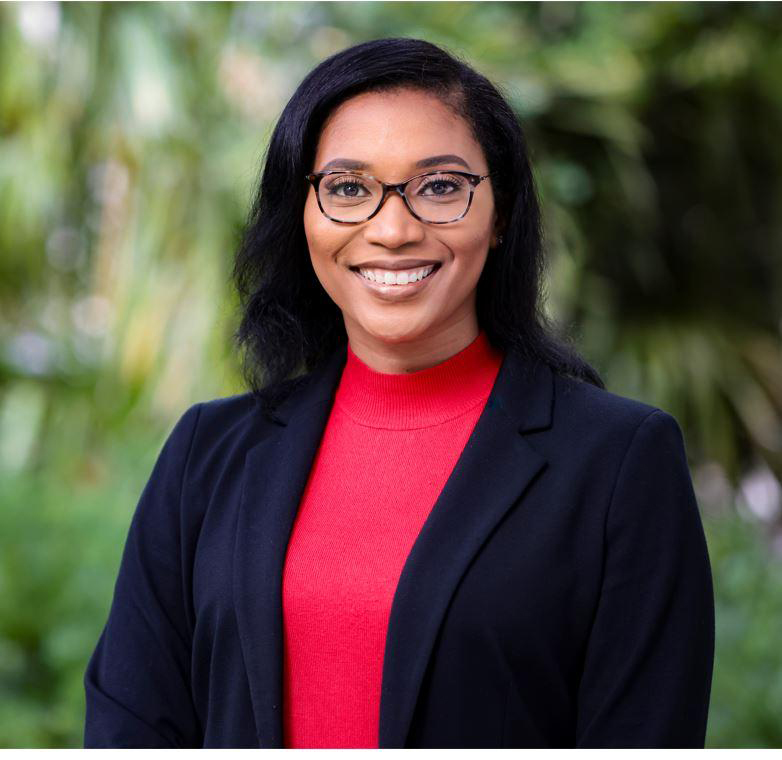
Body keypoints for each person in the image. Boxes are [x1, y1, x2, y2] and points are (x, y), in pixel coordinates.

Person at [83, 37, 715, 749]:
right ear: (304, 213)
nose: (392, 229)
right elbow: (130, 728)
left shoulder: (620, 462)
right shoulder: (207, 453)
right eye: (348, 188)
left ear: (501, 211)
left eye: (441, 187)